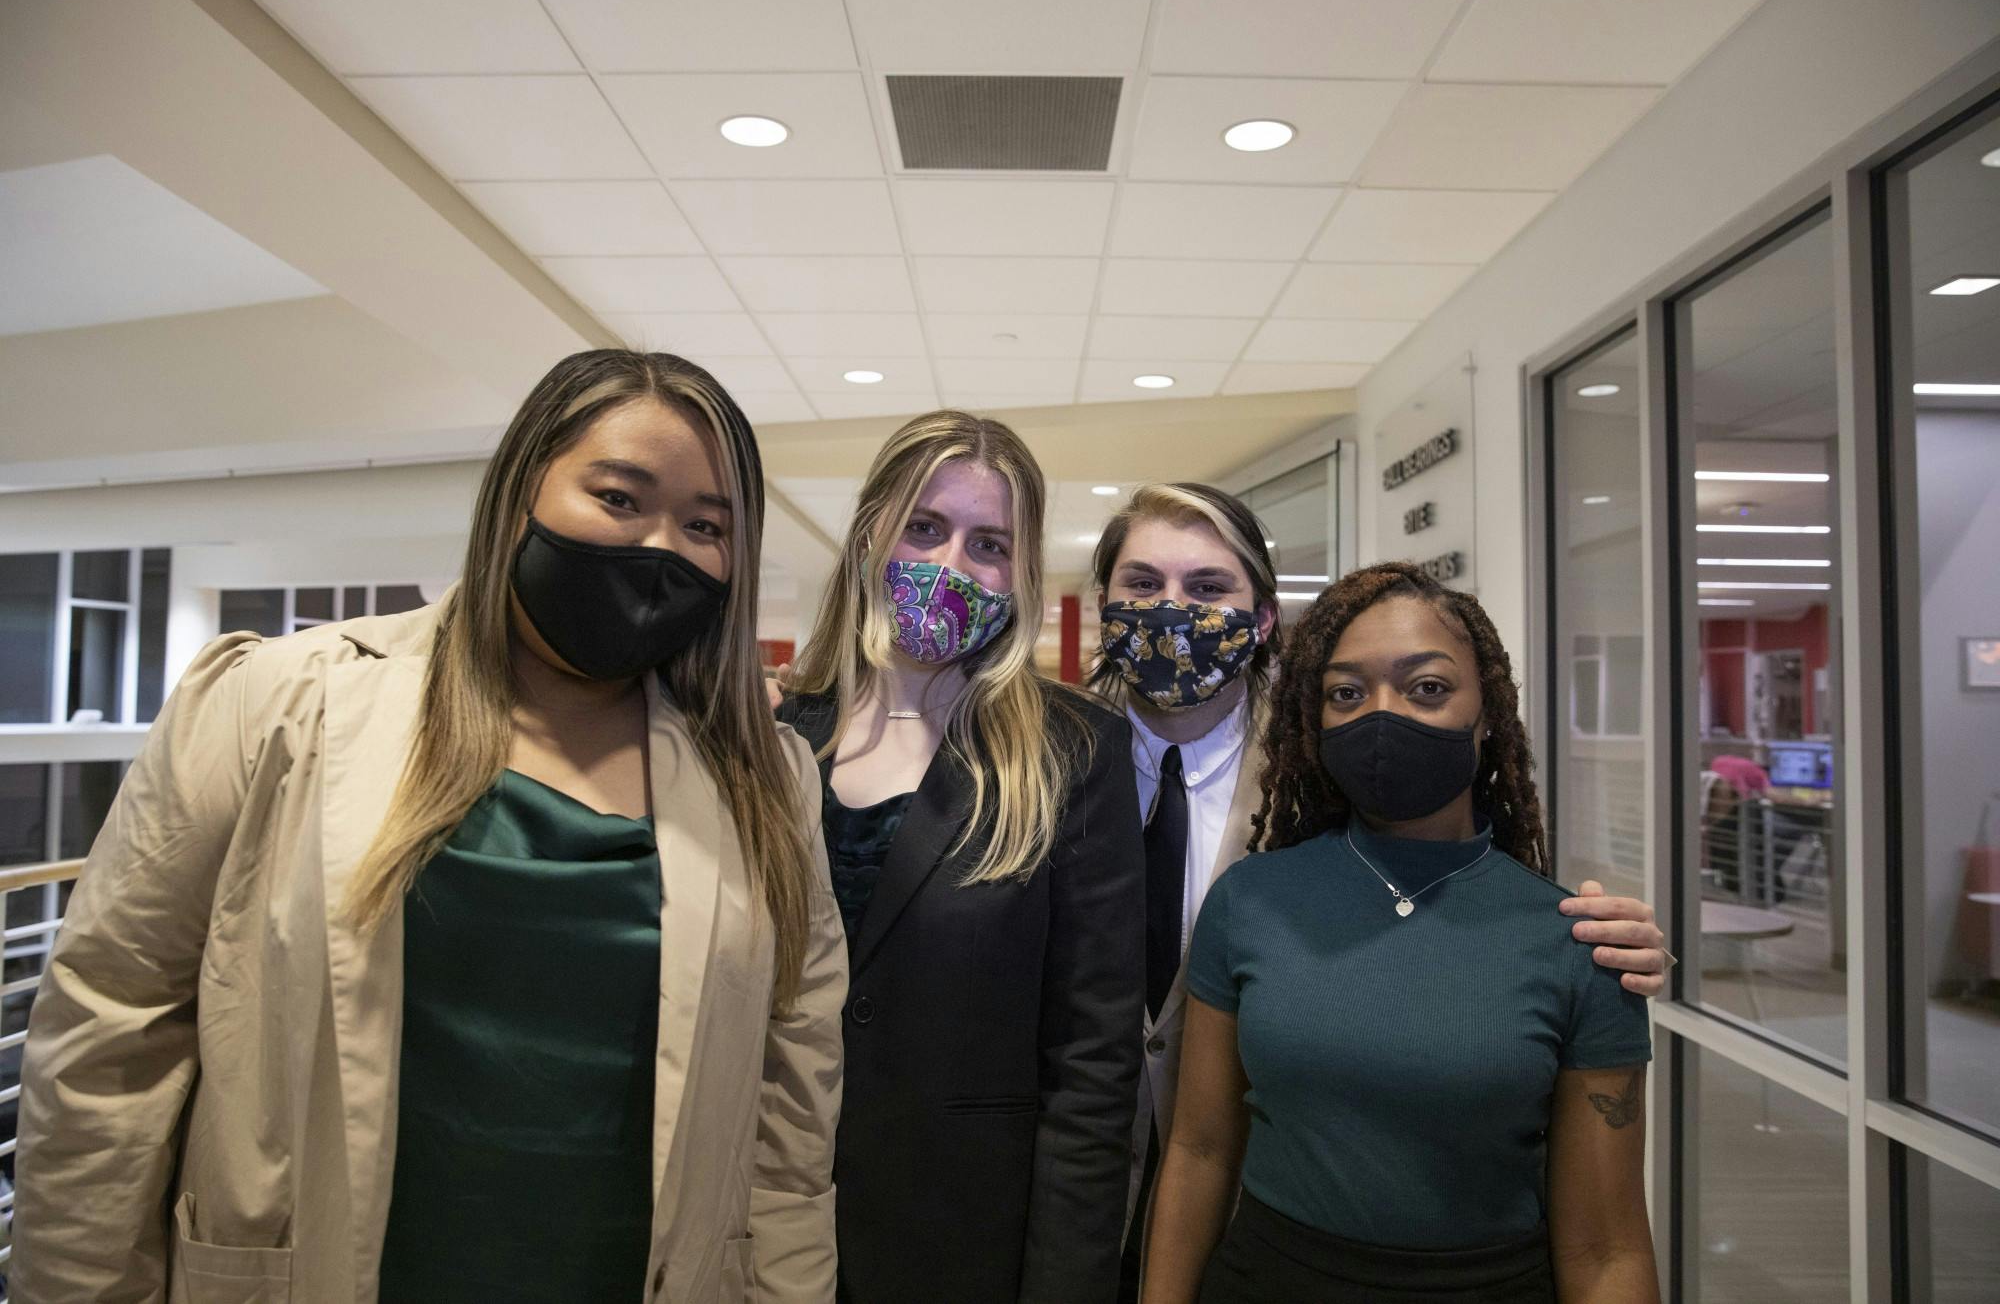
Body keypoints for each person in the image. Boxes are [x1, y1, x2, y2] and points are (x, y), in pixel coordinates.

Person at [16, 351, 847, 1303]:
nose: (661, 547)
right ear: (518, 490)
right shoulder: (277, 703)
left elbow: (791, 1108)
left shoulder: (764, 782)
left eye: (706, 526)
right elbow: (111, 1036)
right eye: (619, 498)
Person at [1092, 489, 1670, 1300]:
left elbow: (1607, 1240)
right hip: (1093, 1212)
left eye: (1429, 688)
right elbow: (1201, 1145)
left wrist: (1609, 948)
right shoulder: (1064, 768)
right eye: (1144, 583)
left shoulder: (1565, 936)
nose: (1383, 718)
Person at [776, 410, 1144, 1303]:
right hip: (771, 1220)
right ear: (872, 533)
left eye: (987, 543)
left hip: (961, 1242)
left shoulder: (1073, 750)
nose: (950, 566)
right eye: (925, 528)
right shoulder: (779, 732)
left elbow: (1092, 1064)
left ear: (1018, 573)